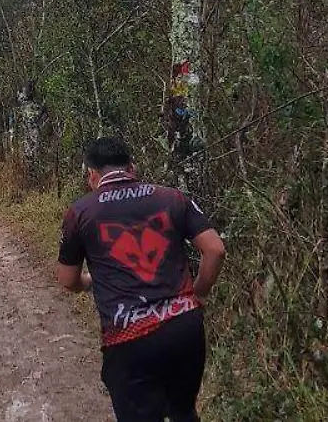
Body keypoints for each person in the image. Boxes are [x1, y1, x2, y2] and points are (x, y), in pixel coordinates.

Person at [56, 137, 226, 422]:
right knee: (183, 412)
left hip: (129, 338)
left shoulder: (81, 212)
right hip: (184, 329)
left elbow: (66, 279)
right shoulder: (172, 198)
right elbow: (215, 250)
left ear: (92, 175)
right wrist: (198, 293)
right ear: (132, 168)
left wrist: (88, 281)